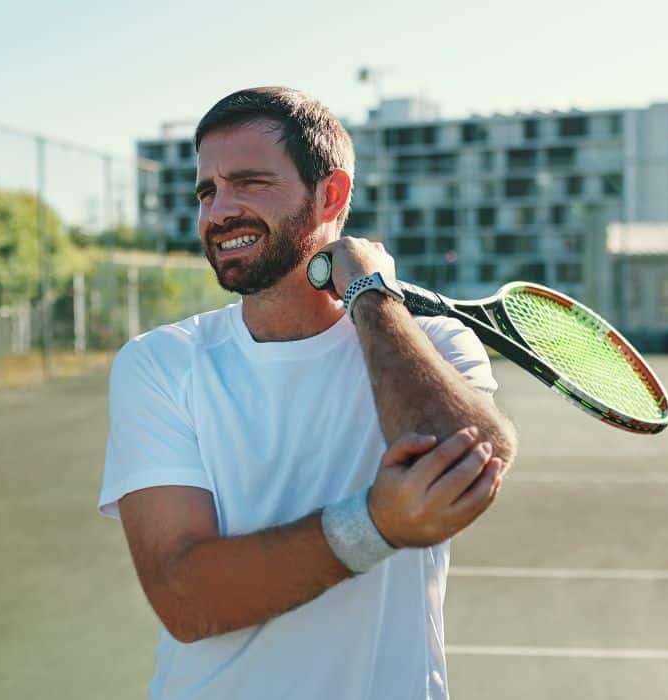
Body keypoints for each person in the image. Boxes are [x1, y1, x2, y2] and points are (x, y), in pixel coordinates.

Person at [97, 86, 517, 699]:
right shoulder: (161, 364)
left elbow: (469, 464)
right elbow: (185, 597)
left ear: (331, 194)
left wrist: (370, 296)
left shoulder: (432, 343)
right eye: (207, 191)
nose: (219, 211)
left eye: (250, 182)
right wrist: (375, 524)